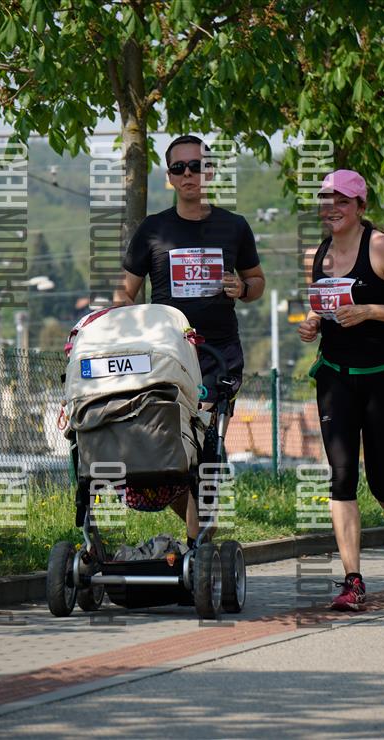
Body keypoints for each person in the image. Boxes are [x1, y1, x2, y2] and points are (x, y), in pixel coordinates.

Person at [298, 169, 384, 611]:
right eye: (326, 200)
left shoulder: (381, 247)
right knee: (341, 476)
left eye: (342, 200)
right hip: (336, 374)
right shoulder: (316, 254)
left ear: (360, 206)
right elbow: (321, 307)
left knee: (380, 477)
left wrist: (371, 310)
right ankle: (352, 581)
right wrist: (312, 323)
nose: (332, 208)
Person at [121, 134, 265, 544]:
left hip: (218, 355)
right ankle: (199, 528)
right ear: (169, 177)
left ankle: (198, 538)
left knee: (206, 445)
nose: (189, 174)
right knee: (166, 446)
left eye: (197, 166)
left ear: (210, 172)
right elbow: (125, 292)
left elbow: (257, 281)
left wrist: (243, 288)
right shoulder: (153, 229)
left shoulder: (234, 226)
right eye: (180, 168)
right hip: (166, 355)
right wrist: (130, 326)